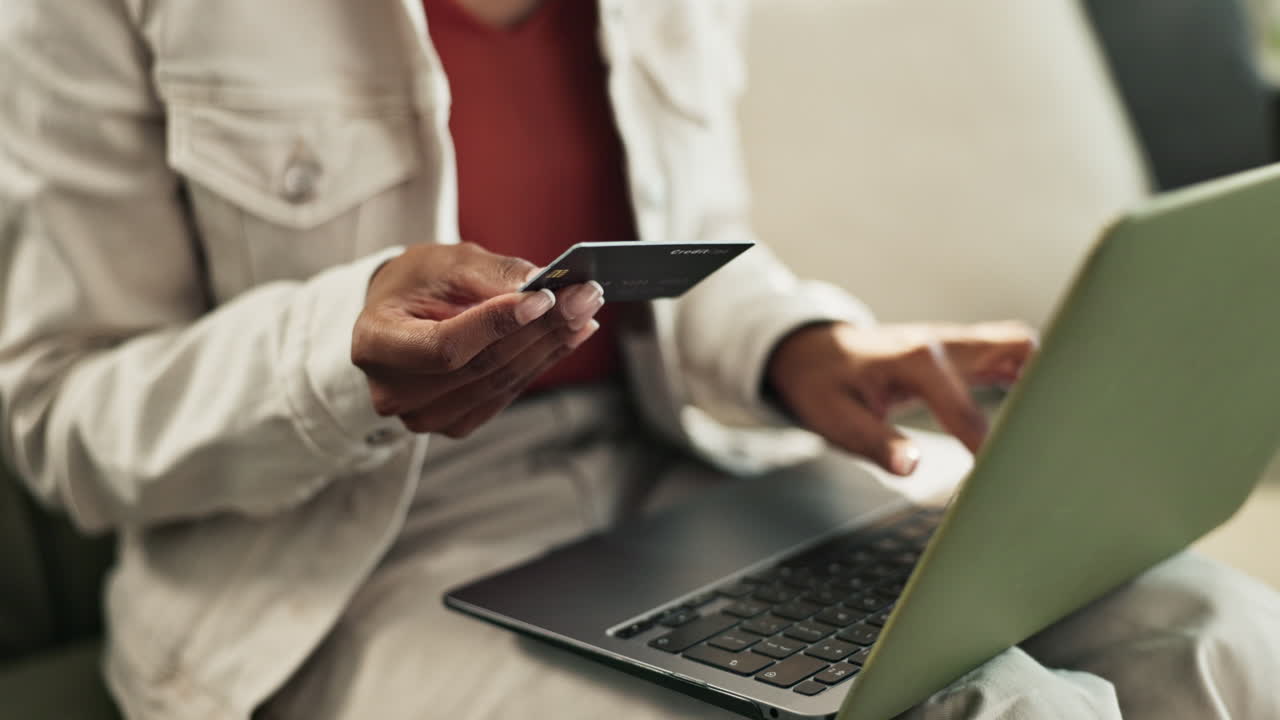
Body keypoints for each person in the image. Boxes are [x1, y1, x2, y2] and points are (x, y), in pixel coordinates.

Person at [0, 0, 1276, 718]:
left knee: (1226, 642)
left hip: (685, 492)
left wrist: (800, 346)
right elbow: (64, 419)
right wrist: (334, 357)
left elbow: (667, 261)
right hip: (342, 567)